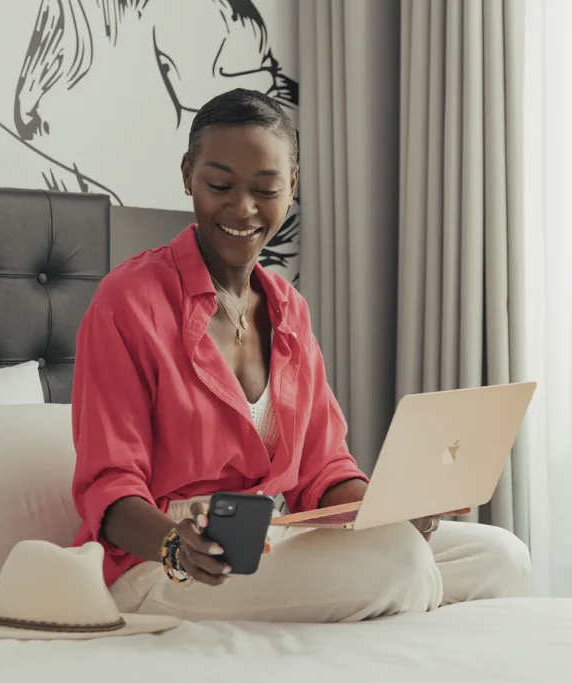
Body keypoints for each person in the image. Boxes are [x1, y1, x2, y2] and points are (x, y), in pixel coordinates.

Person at [70, 88, 531, 623]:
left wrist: (391, 511)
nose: (242, 209)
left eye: (264, 189)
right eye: (220, 185)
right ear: (187, 175)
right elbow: (109, 485)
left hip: (275, 539)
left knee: (499, 556)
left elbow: (323, 471)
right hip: (166, 563)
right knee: (399, 564)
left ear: (292, 187)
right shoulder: (127, 302)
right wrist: (178, 545)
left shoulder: (288, 309)